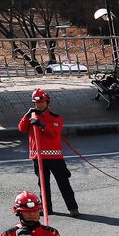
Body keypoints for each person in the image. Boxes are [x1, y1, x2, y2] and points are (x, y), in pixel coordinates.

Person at [16, 89, 79, 217]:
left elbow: (53, 134)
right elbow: (21, 128)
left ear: (47, 102)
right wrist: (27, 115)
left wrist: (41, 124)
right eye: (37, 103)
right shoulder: (32, 116)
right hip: (38, 157)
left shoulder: (56, 117)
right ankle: (46, 209)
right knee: (43, 185)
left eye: (42, 102)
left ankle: (73, 208)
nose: (39, 105)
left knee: (63, 182)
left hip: (55, 157)